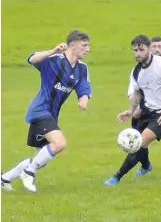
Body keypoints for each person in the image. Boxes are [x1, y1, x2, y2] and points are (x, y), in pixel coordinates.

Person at [1, 29, 92, 192]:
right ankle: (28, 173)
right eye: (84, 45)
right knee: (59, 143)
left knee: (40, 159)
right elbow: (31, 59)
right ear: (72, 45)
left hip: (51, 115)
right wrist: (53, 51)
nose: (88, 49)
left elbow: (84, 89)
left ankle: (4, 178)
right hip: (39, 111)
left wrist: (83, 101)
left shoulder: (82, 69)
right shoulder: (54, 60)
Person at [104, 35, 161, 186]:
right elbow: (137, 93)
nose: (138, 53)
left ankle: (116, 177)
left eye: (141, 49)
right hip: (149, 109)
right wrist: (130, 111)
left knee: (139, 142)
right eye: (135, 50)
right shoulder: (136, 71)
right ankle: (146, 166)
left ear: (149, 48)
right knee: (139, 139)